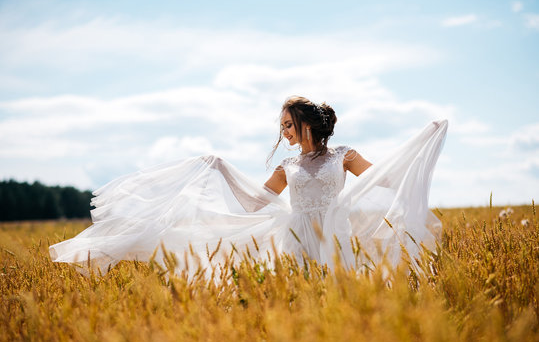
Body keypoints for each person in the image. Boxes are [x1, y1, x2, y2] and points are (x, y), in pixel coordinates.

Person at [49, 96, 447, 276]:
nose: (284, 132)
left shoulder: (343, 155)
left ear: (307, 124)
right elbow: (256, 203)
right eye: (282, 126)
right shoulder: (286, 165)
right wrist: (221, 170)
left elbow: (384, 178)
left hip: (335, 236)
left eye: (288, 124)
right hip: (295, 235)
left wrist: (420, 145)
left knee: (337, 289)